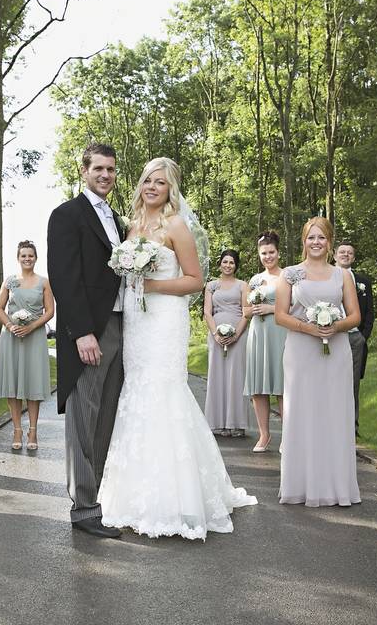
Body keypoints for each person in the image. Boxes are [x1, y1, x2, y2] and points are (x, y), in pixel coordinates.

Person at [98, 157, 257, 540]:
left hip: (165, 317)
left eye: (161, 183)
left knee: (164, 390)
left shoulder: (175, 225)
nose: (152, 187)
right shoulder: (133, 225)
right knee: (136, 389)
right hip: (137, 319)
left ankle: (177, 496)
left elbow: (194, 280)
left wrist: (151, 286)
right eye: (148, 181)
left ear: (171, 190)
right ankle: (132, 493)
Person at [47, 143, 126, 538]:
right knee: (84, 418)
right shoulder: (66, 216)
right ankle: (82, 508)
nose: (105, 175)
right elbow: (64, 279)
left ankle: (93, 499)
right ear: (84, 171)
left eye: (111, 169)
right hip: (89, 332)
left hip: (121, 327)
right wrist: (81, 333)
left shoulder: (119, 221)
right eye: (98, 168)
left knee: (105, 418)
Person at [275, 217, 361, 507]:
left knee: (335, 412)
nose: (316, 242)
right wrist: (308, 328)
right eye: (311, 237)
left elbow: (354, 316)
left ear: (330, 242)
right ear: (303, 241)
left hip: (336, 350)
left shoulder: (342, 276)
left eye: (321, 238)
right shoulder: (290, 273)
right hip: (300, 350)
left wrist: (335, 326)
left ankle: (336, 485)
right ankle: (300, 484)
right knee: (302, 411)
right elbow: (280, 314)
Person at [0, 240, 54, 451]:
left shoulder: (44, 282)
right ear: (18, 258)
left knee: (33, 383)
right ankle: (17, 430)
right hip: (11, 337)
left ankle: (33, 431)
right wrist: (10, 326)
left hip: (34, 336)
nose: (27, 259)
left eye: (30, 255)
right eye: (23, 256)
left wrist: (32, 327)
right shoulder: (10, 281)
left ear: (36, 258)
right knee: (13, 383)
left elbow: (49, 311)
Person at [243, 232, 287, 453]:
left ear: (278, 253)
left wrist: (271, 308)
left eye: (271, 252)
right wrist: (253, 309)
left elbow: (294, 308)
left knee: (281, 386)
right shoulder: (255, 280)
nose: (268, 256)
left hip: (279, 333)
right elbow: (245, 311)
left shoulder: (287, 277)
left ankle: (287, 436)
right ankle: (264, 434)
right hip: (258, 334)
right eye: (264, 253)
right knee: (258, 387)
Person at [203, 250, 249, 437]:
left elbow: (247, 311)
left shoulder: (242, 285)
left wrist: (236, 334)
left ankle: (236, 423)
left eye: (232, 262)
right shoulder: (211, 286)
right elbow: (207, 312)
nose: (228, 265)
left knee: (236, 377)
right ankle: (217, 422)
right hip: (216, 336)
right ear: (220, 264)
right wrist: (215, 334)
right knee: (217, 376)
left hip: (238, 335)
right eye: (225, 262)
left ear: (236, 265)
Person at [333, 241, 374, 436]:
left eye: (350, 253)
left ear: (354, 257)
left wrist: (363, 336)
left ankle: (352, 426)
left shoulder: (363, 281)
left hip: (355, 338)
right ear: (334, 255)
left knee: (353, 382)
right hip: (330, 337)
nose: (346, 255)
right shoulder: (326, 277)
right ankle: (330, 423)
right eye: (342, 252)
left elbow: (370, 312)